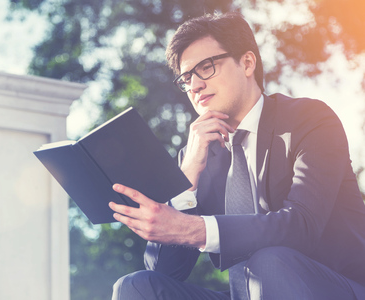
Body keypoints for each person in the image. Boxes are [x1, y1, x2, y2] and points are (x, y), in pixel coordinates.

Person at [109, 12, 365, 300]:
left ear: (247, 63)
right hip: (244, 292)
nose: (194, 86)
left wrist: (198, 230)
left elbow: (302, 225)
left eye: (206, 67)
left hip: (333, 287)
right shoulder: (197, 154)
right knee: (135, 287)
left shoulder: (309, 120)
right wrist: (186, 179)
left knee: (269, 262)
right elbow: (163, 271)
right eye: (186, 78)